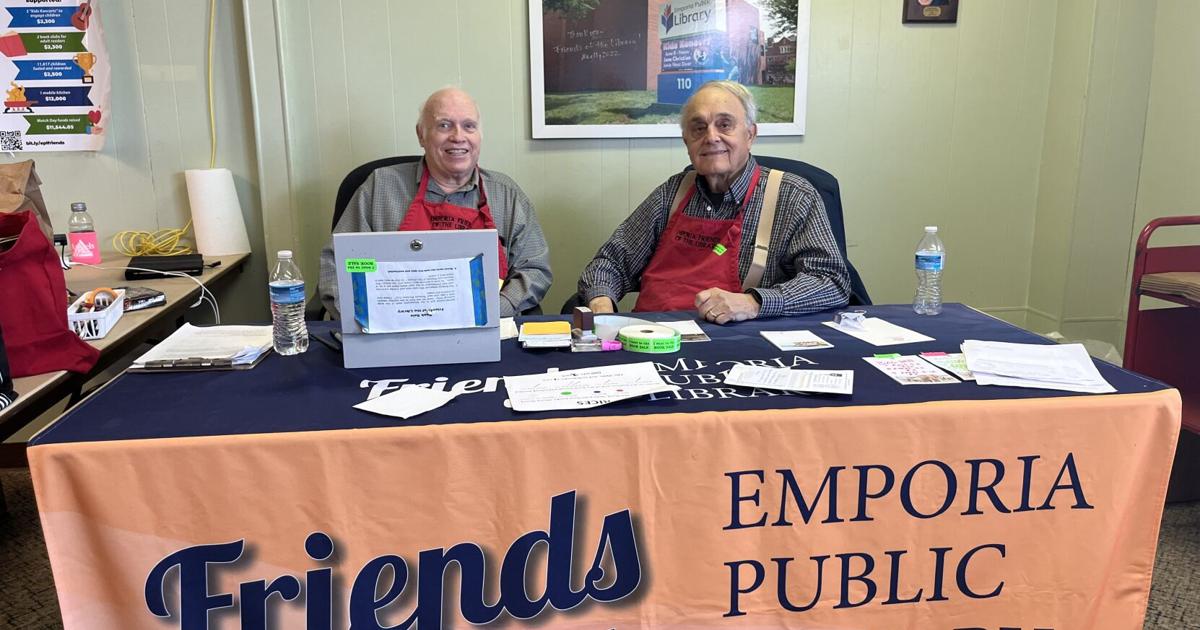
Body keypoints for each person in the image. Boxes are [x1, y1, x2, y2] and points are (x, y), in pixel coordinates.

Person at [578, 81, 849, 324]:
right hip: (653, 339)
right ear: (687, 141)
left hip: (737, 346)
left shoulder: (794, 196)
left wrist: (755, 302)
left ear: (750, 134)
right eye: (698, 128)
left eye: (725, 124)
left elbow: (832, 282)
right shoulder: (671, 194)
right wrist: (602, 305)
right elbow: (610, 262)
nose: (711, 137)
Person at [318, 87, 551, 318]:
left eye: (469, 126)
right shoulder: (380, 187)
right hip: (393, 330)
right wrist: (367, 317)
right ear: (421, 134)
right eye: (444, 125)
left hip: (485, 325)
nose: (458, 137)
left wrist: (496, 308)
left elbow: (535, 269)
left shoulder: (507, 195)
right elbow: (339, 265)